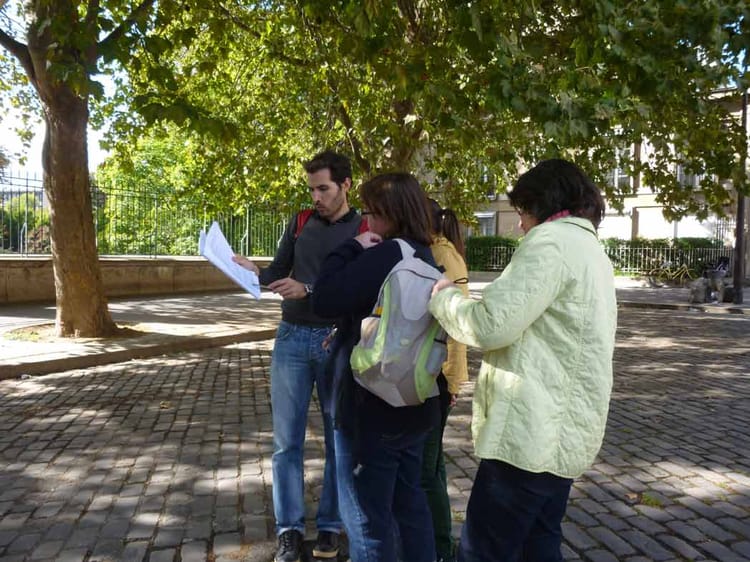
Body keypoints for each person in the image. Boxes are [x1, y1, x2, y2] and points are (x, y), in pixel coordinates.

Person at [429, 159, 617, 562]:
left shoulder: (550, 243)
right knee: (539, 542)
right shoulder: (590, 248)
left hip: (530, 434)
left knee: (485, 551)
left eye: (522, 213)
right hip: (563, 435)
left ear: (543, 204)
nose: (520, 226)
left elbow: (490, 325)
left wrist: (444, 297)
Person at [233, 150, 364, 562]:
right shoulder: (301, 221)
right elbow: (278, 270)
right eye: (312, 189)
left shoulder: (364, 229)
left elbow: (360, 289)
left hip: (335, 340)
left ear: (345, 185)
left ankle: (329, 527)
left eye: (323, 188)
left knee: (336, 441)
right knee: (285, 444)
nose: (316, 197)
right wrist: (252, 271)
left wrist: (308, 288)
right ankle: (289, 530)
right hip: (290, 338)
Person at [312, 172, 440, 562]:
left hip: (372, 402)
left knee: (368, 520)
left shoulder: (388, 253)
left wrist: (350, 247)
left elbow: (325, 296)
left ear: (388, 213)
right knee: (410, 505)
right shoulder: (426, 254)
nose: (366, 221)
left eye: (370, 212)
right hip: (415, 398)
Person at [422, 198, 469, 562]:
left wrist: (451, 381)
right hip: (440, 375)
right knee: (432, 464)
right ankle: (439, 542)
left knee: (427, 468)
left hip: (437, 377)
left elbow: (454, 326)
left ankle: (439, 547)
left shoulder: (441, 256)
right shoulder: (442, 251)